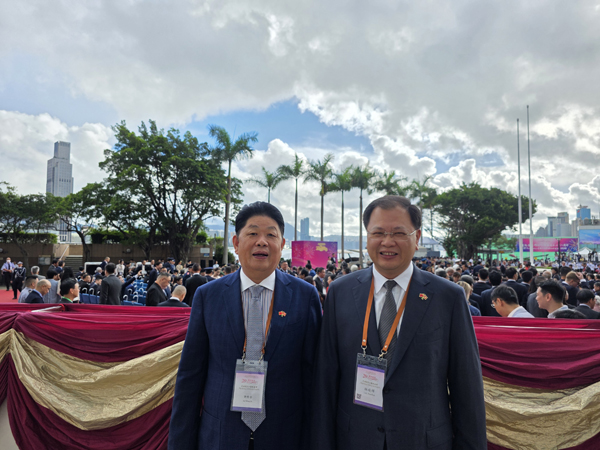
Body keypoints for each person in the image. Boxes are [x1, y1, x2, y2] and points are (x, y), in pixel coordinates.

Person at [310, 195, 486, 450]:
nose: (387, 241)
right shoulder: (341, 292)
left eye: (399, 233)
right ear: (367, 237)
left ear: (417, 237)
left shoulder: (448, 296)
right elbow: (326, 379)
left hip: (423, 440)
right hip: (354, 439)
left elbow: (466, 385)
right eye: (378, 232)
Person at [169, 201, 322, 450]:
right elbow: (190, 375)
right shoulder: (209, 296)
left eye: (271, 235)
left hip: (284, 436)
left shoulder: (305, 296)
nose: (262, 242)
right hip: (220, 435)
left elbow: (312, 376)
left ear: (282, 244)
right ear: (236, 243)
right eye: (252, 233)